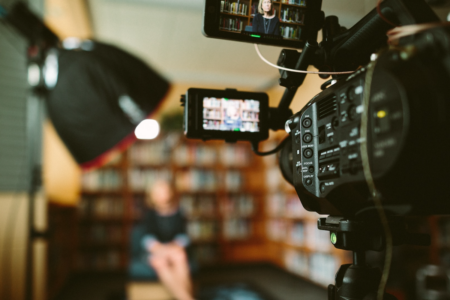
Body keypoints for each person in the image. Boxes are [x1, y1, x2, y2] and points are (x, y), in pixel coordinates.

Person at [140, 179, 194, 300]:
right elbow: (147, 238)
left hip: (174, 249)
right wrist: (160, 248)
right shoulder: (149, 214)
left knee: (180, 257)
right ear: (152, 196)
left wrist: (174, 246)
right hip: (157, 250)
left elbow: (184, 236)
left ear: (170, 193)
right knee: (160, 262)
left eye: (164, 192)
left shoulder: (179, 212)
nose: (162, 195)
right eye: (158, 193)